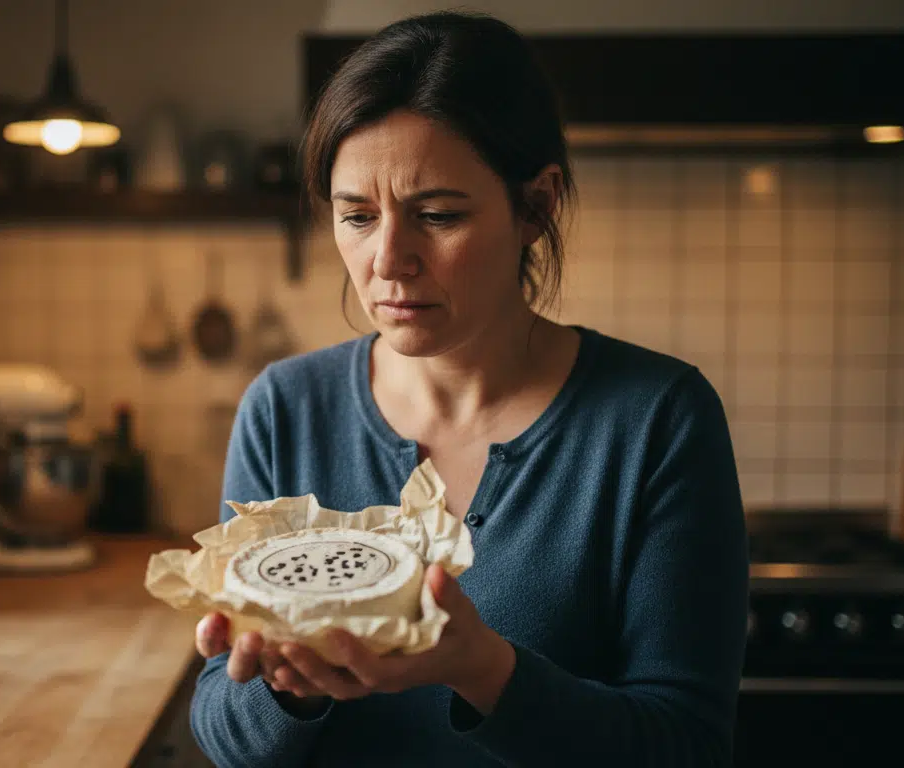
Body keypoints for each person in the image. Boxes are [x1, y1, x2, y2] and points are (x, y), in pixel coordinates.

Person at [188, 10, 749, 768]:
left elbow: (686, 746)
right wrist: (291, 688)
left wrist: (482, 670)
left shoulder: (657, 420)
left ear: (537, 206)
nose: (388, 260)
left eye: (438, 215)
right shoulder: (285, 409)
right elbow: (223, 729)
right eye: (357, 216)